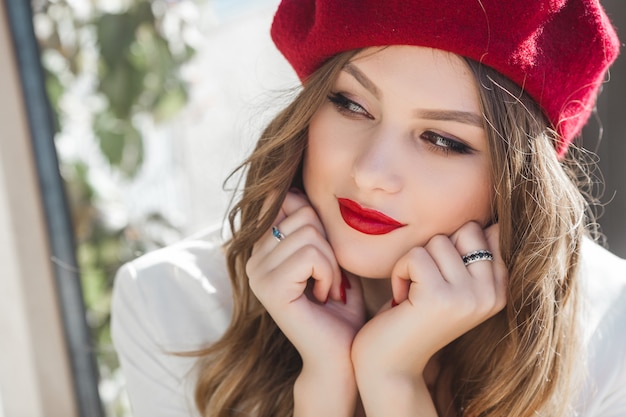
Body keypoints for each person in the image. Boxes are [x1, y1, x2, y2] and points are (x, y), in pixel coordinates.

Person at [111, 0, 626, 416]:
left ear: (518, 185)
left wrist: (392, 381)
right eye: (352, 105)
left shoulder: (610, 335)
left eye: (442, 140)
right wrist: (326, 385)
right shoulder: (171, 304)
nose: (370, 172)